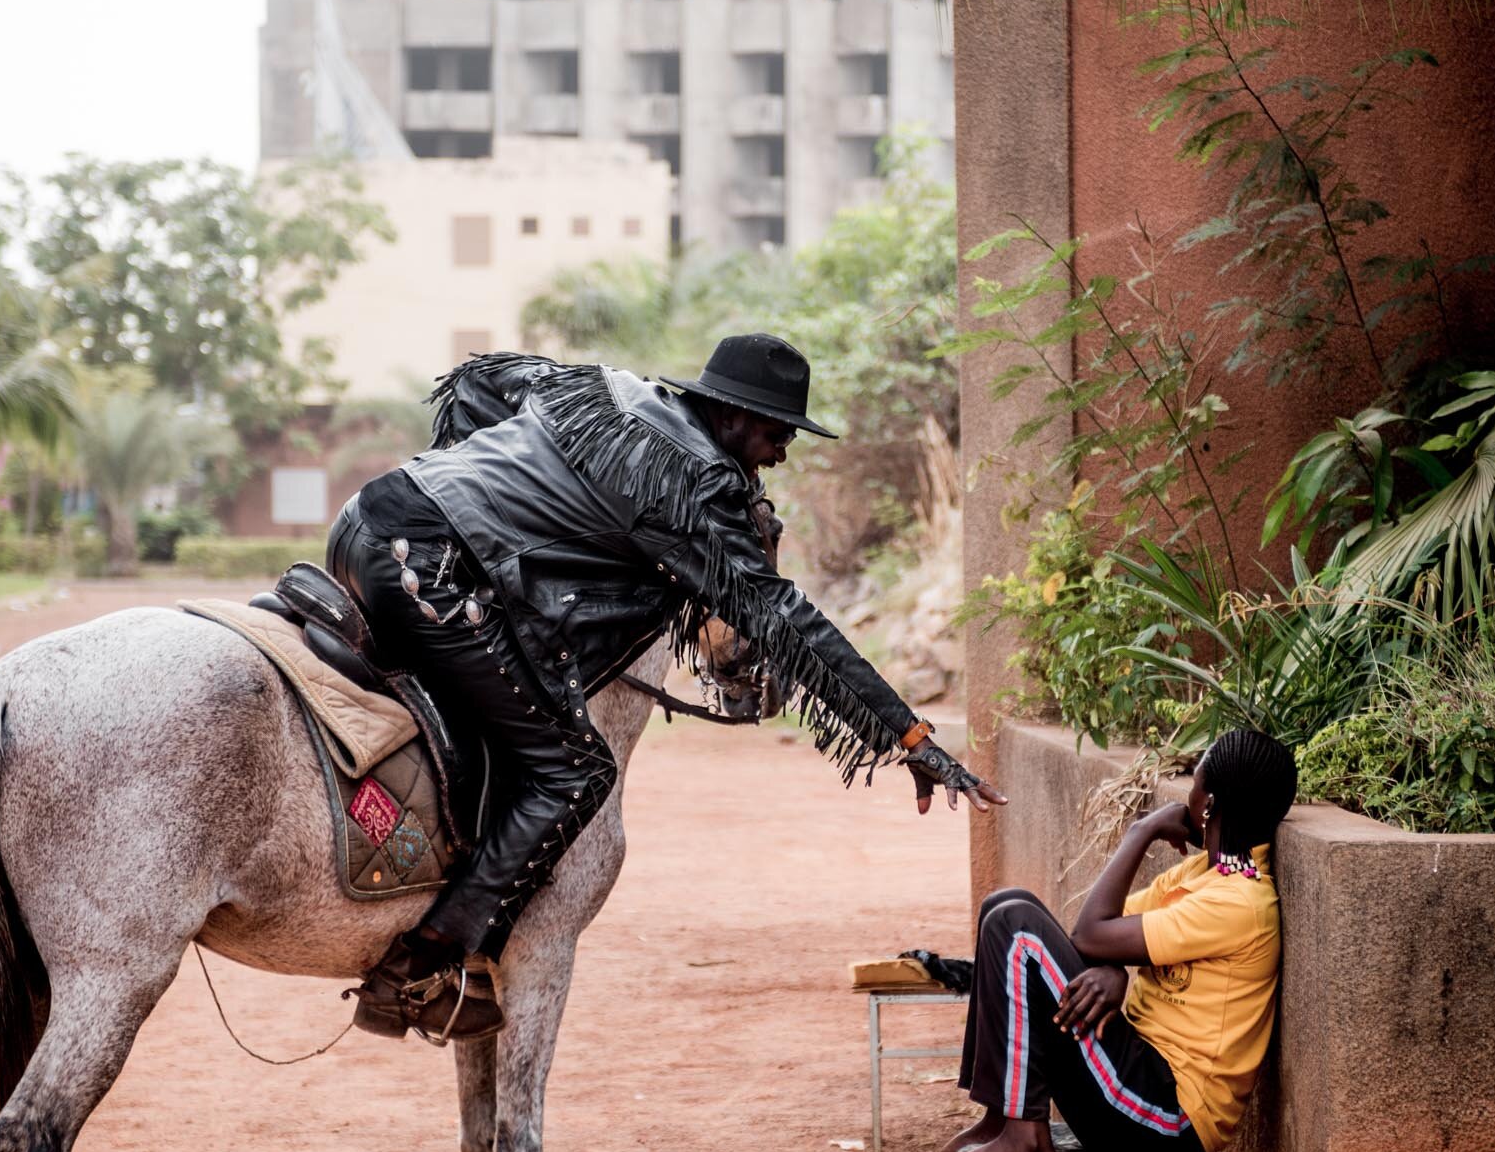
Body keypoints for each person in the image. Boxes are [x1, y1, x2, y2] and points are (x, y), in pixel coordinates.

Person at [329, 333, 1006, 1044]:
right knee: (575, 770)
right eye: (778, 434)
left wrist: (475, 481)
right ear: (733, 416)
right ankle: (416, 967)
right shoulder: (694, 484)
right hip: (425, 572)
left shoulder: (605, 387)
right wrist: (908, 737)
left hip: (368, 520)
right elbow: (782, 620)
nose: (781, 454)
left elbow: (477, 381)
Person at [921, 728, 1297, 1152]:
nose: (1187, 796)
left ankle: (1027, 1143)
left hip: (1166, 1114)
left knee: (1016, 927)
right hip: (1133, 1075)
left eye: (1194, 784)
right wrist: (1114, 969)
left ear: (1209, 803)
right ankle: (1001, 1120)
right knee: (1004, 905)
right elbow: (1101, 936)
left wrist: (1142, 831)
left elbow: (1090, 933)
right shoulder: (1205, 874)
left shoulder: (1239, 903)